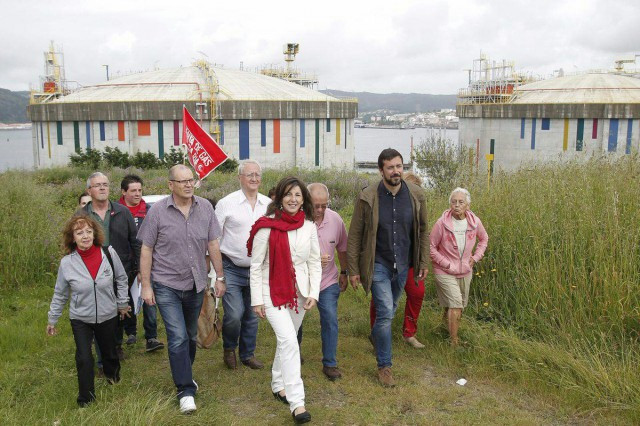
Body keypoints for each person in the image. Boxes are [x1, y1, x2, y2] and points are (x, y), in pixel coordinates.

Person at [138, 164, 226, 414]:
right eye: (183, 181)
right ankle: (185, 390)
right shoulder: (157, 212)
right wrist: (146, 285)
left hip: (196, 284)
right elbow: (147, 249)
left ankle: (184, 374)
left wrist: (219, 277)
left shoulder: (206, 208)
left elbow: (213, 243)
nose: (189, 184)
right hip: (166, 285)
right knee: (176, 336)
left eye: (192, 180)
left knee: (189, 336)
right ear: (171, 185)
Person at [346, 148, 429, 387]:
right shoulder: (368, 196)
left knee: (390, 311)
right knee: (384, 313)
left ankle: (377, 336)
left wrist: (423, 261)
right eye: (391, 167)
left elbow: (423, 230)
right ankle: (384, 366)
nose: (396, 171)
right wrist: (353, 270)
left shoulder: (416, 195)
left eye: (399, 166)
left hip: (402, 265)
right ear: (381, 170)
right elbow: (355, 234)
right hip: (378, 264)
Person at [248, 176, 320, 424]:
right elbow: (255, 266)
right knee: (290, 342)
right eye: (288, 194)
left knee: (285, 341)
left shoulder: (309, 226)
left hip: (299, 293)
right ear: (279, 197)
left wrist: (313, 293)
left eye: (298, 195)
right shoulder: (266, 226)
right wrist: (256, 300)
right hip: (272, 292)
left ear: (303, 200)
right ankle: (297, 402)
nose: (293, 199)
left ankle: (278, 383)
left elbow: (313, 262)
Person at [46, 215, 129, 406]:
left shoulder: (108, 253)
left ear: (95, 234)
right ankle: (86, 398)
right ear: (72, 237)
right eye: (79, 232)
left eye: (88, 232)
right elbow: (60, 294)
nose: (85, 236)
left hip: (108, 314)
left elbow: (122, 279)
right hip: (80, 318)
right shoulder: (67, 263)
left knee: (109, 352)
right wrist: (53, 319)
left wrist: (122, 303)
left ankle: (113, 377)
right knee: (84, 357)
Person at [215, 160, 270, 370]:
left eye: (257, 174)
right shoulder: (226, 204)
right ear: (240, 178)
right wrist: (217, 274)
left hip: (257, 268)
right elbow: (214, 239)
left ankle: (247, 354)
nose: (254, 178)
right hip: (231, 267)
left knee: (252, 314)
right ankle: (229, 347)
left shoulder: (268, 205)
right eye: (249, 175)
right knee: (235, 314)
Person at [80, 172, 141, 361]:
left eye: (105, 184)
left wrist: (139, 268)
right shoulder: (81, 215)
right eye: (97, 185)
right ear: (89, 190)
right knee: (99, 312)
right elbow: (72, 244)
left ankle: (116, 344)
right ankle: (103, 356)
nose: (102, 188)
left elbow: (136, 241)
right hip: (92, 273)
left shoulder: (122, 212)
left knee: (120, 307)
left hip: (122, 269)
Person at [369, 172, 427, 349]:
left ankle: (409, 332)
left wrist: (422, 260)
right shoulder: (383, 201)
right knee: (381, 297)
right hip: (386, 259)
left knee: (417, 292)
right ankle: (377, 332)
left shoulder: (417, 205)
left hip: (409, 260)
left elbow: (424, 232)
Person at [297, 183, 348, 380]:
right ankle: (295, 355)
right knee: (297, 320)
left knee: (330, 319)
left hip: (327, 280)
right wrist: (313, 259)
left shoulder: (335, 219)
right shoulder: (297, 219)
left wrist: (344, 271)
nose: (319, 210)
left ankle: (330, 363)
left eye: (324, 206)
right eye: (316, 205)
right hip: (301, 281)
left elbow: (342, 247)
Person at [429, 187, 488, 346]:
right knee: (456, 303)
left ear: (467, 205)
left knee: (457, 305)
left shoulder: (475, 222)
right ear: (449, 204)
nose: (456, 205)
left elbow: (484, 239)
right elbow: (431, 247)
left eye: (461, 202)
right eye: (453, 202)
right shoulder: (441, 223)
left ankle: (443, 328)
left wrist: (475, 258)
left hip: (465, 270)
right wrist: (446, 264)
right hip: (444, 271)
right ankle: (454, 342)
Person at [119, 174, 164, 353]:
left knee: (149, 298)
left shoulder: (150, 210)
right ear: (123, 192)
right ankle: (130, 332)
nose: (137, 194)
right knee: (126, 298)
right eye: (133, 190)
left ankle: (151, 337)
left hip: (147, 262)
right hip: (123, 263)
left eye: (140, 190)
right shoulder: (116, 211)